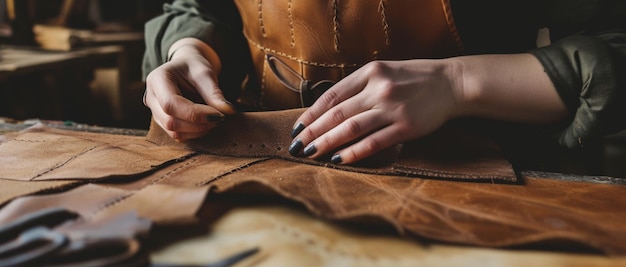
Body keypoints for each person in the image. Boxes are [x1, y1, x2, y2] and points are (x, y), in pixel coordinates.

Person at [142, 0, 625, 168]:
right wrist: (188, 52)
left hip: (472, 188)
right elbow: (202, 12)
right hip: (262, 173)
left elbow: (613, 49)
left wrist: (456, 83)